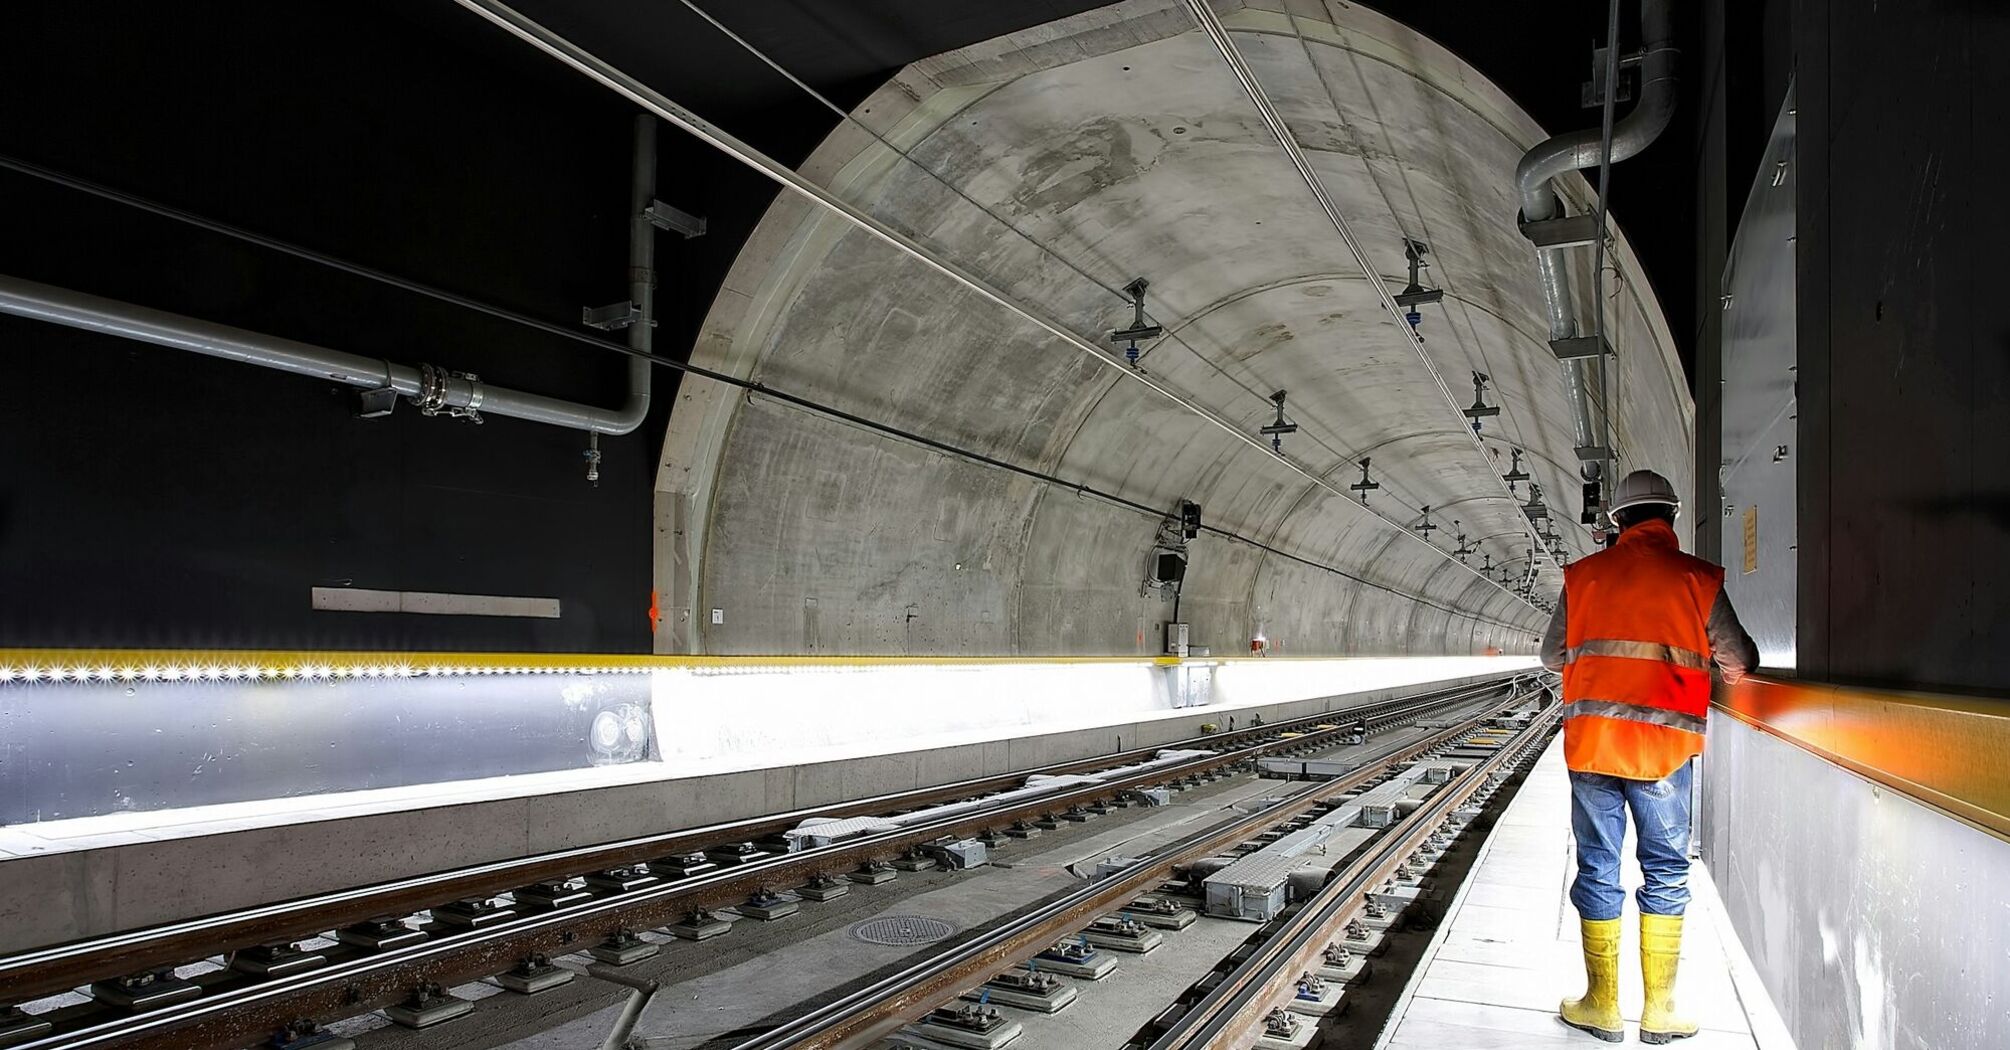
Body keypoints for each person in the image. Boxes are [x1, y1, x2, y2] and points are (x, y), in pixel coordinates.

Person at [1539, 469, 1758, 1044]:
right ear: (1672, 516)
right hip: (1663, 752)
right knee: (1664, 868)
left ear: (1616, 521)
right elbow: (1740, 659)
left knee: (1598, 864)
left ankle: (1601, 1005)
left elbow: (1550, 654)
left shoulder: (1582, 577)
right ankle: (1659, 1010)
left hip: (1593, 749)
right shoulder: (1698, 579)